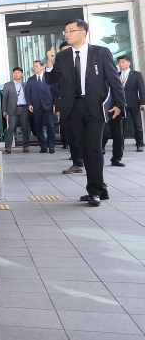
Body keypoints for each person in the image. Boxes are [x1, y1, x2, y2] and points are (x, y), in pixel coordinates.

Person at [44, 19, 124, 206]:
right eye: (66, 31)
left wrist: (120, 104)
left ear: (83, 32)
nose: (67, 34)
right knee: (84, 150)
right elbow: (50, 80)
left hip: (95, 107)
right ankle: (99, 188)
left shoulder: (101, 53)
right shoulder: (63, 57)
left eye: (71, 30)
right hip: (73, 108)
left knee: (94, 148)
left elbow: (114, 80)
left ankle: (94, 191)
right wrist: (49, 62)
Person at [50, 43, 85, 173]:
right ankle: (77, 162)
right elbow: (54, 87)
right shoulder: (59, 70)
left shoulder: (82, 66)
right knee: (72, 136)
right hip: (66, 106)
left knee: (86, 136)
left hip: (84, 106)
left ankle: (88, 161)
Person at [111, 55, 145, 160]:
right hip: (120, 104)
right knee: (121, 125)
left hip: (133, 103)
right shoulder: (116, 74)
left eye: (123, 62)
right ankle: (121, 144)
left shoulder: (136, 74)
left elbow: (141, 89)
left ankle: (139, 143)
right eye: (119, 62)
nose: (121, 64)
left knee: (137, 124)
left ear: (128, 63)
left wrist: (143, 102)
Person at [25, 61, 55, 153]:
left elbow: (53, 91)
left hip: (48, 104)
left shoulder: (49, 78)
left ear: (42, 67)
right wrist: (29, 104)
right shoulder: (30, 80)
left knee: (50, 125)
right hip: (36, 106)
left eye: (37, 66)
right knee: (38, 126)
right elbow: (28, 94)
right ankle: (43, 146)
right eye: (34, 66)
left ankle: (51, 146)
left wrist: (54, 104)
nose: (35, 68)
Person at [2, 68, 31, 153]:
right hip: (12, 109)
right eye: (15, 73)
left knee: (25, 128)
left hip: (24, 108)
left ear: (22, 74)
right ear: (13, 74)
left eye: (18, 73)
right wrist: (4, 110)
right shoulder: (8, 85)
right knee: (11, 128)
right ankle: (8, 146)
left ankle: (25, 146)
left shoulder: (26, 85)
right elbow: (4, 99)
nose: (16, 74)